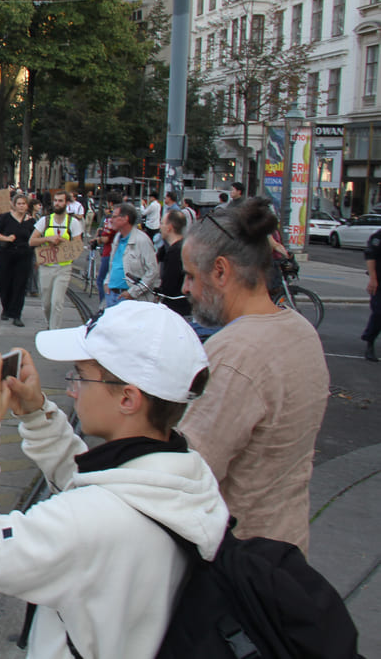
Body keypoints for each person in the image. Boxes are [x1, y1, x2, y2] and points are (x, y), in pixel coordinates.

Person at [0, 301, 226, 658]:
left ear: (128, 398)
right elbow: (104, 487)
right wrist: (38, 416)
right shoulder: (186, 476)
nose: (72, 389)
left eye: (80, 375)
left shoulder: (97, 523)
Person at [178, 197, 329, 552]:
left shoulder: (235, 353)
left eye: (190, 275)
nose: (186, 289)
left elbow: (189, 474)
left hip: (239, 561)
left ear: (220, 270)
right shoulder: (301, 331)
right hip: (284, 550)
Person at [28, 191, 82, 330]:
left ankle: (54, 331)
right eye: (56, 201)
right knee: (46, 302)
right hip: (46, 266)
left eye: (60, 201)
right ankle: (49, 323)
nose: (57, 203)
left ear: (67, 203)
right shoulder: (45, 221)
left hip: (63, 267)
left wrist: (62, 241)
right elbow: (32, 241)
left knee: (57, 301)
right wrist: (47, 239)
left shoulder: (73, 223)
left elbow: (78, 246)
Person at [103, 202, 158, 307]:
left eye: (114, 217)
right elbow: (113, 264)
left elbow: (153, 271)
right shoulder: (117, 238)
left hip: (129, 297)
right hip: (112, 294)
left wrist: (133, 292)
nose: (111, 220)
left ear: (125, 219)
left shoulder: (142, 240)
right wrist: (107, 282)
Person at [0, 193, 33, 327]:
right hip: (7, 254)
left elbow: (34, 239)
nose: (21, 206)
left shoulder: (31, 221)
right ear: (14, 205)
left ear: (27, 206)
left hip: (24, 256)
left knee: (20, 285)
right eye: (19, 204)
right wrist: (7, 238)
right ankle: (6, 308)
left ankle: (17, 314)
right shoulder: (5, 218)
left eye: (24, 204)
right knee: (5, 283)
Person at [157, 210, 192, 317]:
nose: (159, 227)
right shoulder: (185, 246)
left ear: (169, 227)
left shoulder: (175, 252)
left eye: (162, 223)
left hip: (175, 308)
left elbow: (169, 285)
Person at [365, 227, 381, 362]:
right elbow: (370, 255)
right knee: (378, 313)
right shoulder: (378, 236)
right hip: (379, 281)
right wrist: (373, 278)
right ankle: (370, 340)